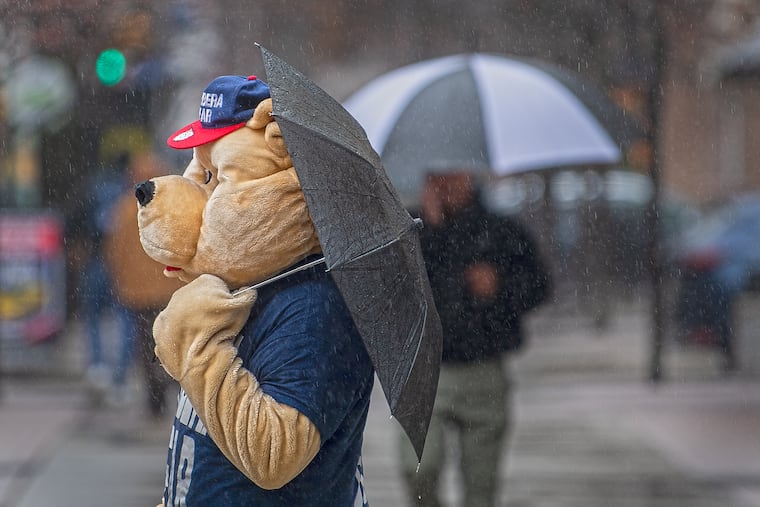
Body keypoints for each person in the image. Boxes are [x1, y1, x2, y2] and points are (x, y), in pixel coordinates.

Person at [400, 170, 551, 507]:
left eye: (454, 174)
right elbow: (395, 291)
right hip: (425, 373)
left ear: (470, 175)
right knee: (418, 469)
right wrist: (431, 229)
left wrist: (501, 287)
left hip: (485, 369)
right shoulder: (408, 230)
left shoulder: (501, 230)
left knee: (481, 487)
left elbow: (540, 286)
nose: (446, 184)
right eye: (437, 176)